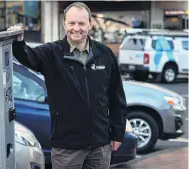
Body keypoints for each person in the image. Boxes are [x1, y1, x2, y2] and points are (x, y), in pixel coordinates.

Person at [7, 2, 127, 169]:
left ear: (90, 24)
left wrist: (117, 132)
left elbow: (117, 97)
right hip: (66, 148)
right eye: (72, 23)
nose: (76, 28)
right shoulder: (52, 53)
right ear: (64, 24)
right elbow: (29, 57)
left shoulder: (105, 54)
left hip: (100, 147)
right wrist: (18, 43)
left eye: (81, 23)